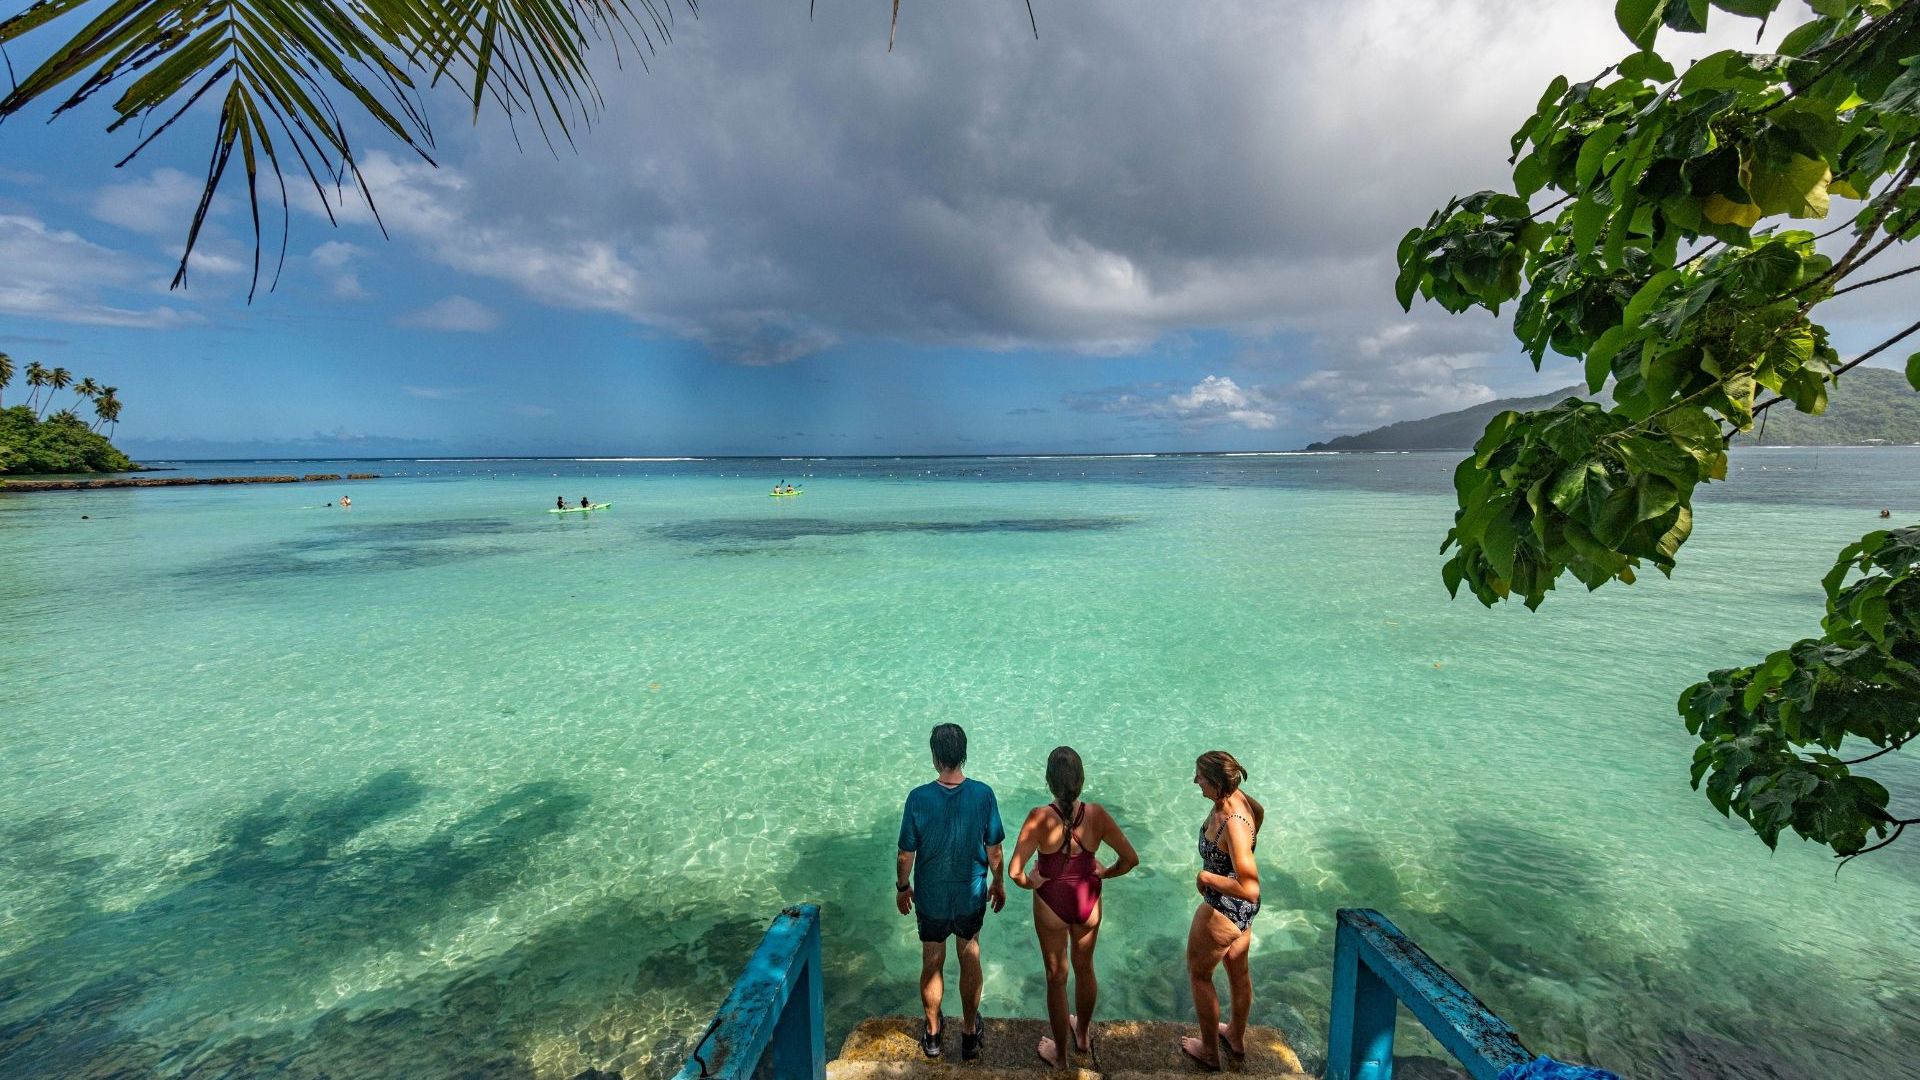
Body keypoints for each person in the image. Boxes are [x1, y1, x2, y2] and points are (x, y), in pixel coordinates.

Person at [1009, 746, 1138, 1068]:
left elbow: (1015, 872)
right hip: (1088, 903)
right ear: (1081, 779)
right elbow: (1131, 860)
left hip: (1051, 904)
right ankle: (1082, 1034)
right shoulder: (1096, 814)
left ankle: (1062, 1056)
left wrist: (1032, 882)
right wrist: (1105, 873)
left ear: (1049, 781)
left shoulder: (1039, 818)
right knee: (1085, 969)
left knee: (1056, 977)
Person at [897, 723, 1006, 1061]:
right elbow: (995, 851)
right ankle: (970, 1035)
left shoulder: (918, 798)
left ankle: (932, 1035)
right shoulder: (983, 795)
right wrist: (998, 883)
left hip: (931, 898)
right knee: (969, 955)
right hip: (969, 895)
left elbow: (905, 855)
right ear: (964, 754)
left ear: (934, 757)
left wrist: (903, 887)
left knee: (932, 960)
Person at [1182, 751, 1263, 1071]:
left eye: (1200, 777)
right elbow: (1259, 820)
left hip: (1224, 908)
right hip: (1243, 911)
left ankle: (1209, 1052)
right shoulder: (1243, 801)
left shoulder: (1233, 824)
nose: (1195, 781)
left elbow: (1250, 885)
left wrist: (1207, 877)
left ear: (1216, 783)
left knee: (1199, 974)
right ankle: (1236, 1037)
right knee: (1238, 972)